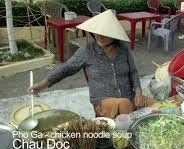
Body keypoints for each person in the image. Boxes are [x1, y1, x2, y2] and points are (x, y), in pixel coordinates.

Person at [27, 10, 158, 119]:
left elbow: (133, 72)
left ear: (114, 36)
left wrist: (139, 93)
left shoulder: (123, 49)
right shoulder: (87, 51)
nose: (99, 36)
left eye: (104, 33)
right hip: (103, 102)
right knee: (124, 105)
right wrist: (43, 84)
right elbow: (66, 69)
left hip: (129, 97)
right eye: (97, 32)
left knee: (161, 107)